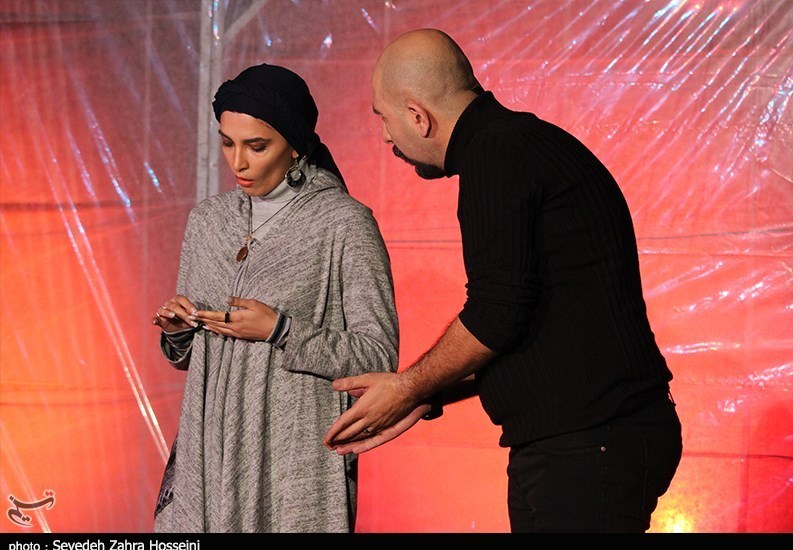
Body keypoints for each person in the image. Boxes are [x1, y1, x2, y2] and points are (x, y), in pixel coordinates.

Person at [323, 28, 683, 533]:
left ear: (418, 116)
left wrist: (407, 388)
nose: (385, 137)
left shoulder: (496, 154)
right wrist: (429, 394)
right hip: (585, 439)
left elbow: (497, 312)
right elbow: (534, 324)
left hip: (589, 441)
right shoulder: (518, 145)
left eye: (383, 117)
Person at [151, 63, 398, 533]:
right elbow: (193, 359)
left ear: (296, 144)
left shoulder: (343, 224)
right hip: (208, 457)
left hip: (292, 460)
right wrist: (179, 332)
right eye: (228, 143)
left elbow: (377, 356)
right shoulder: (208, 221)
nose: (238, 162)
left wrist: (282, 331)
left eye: (257, 146)